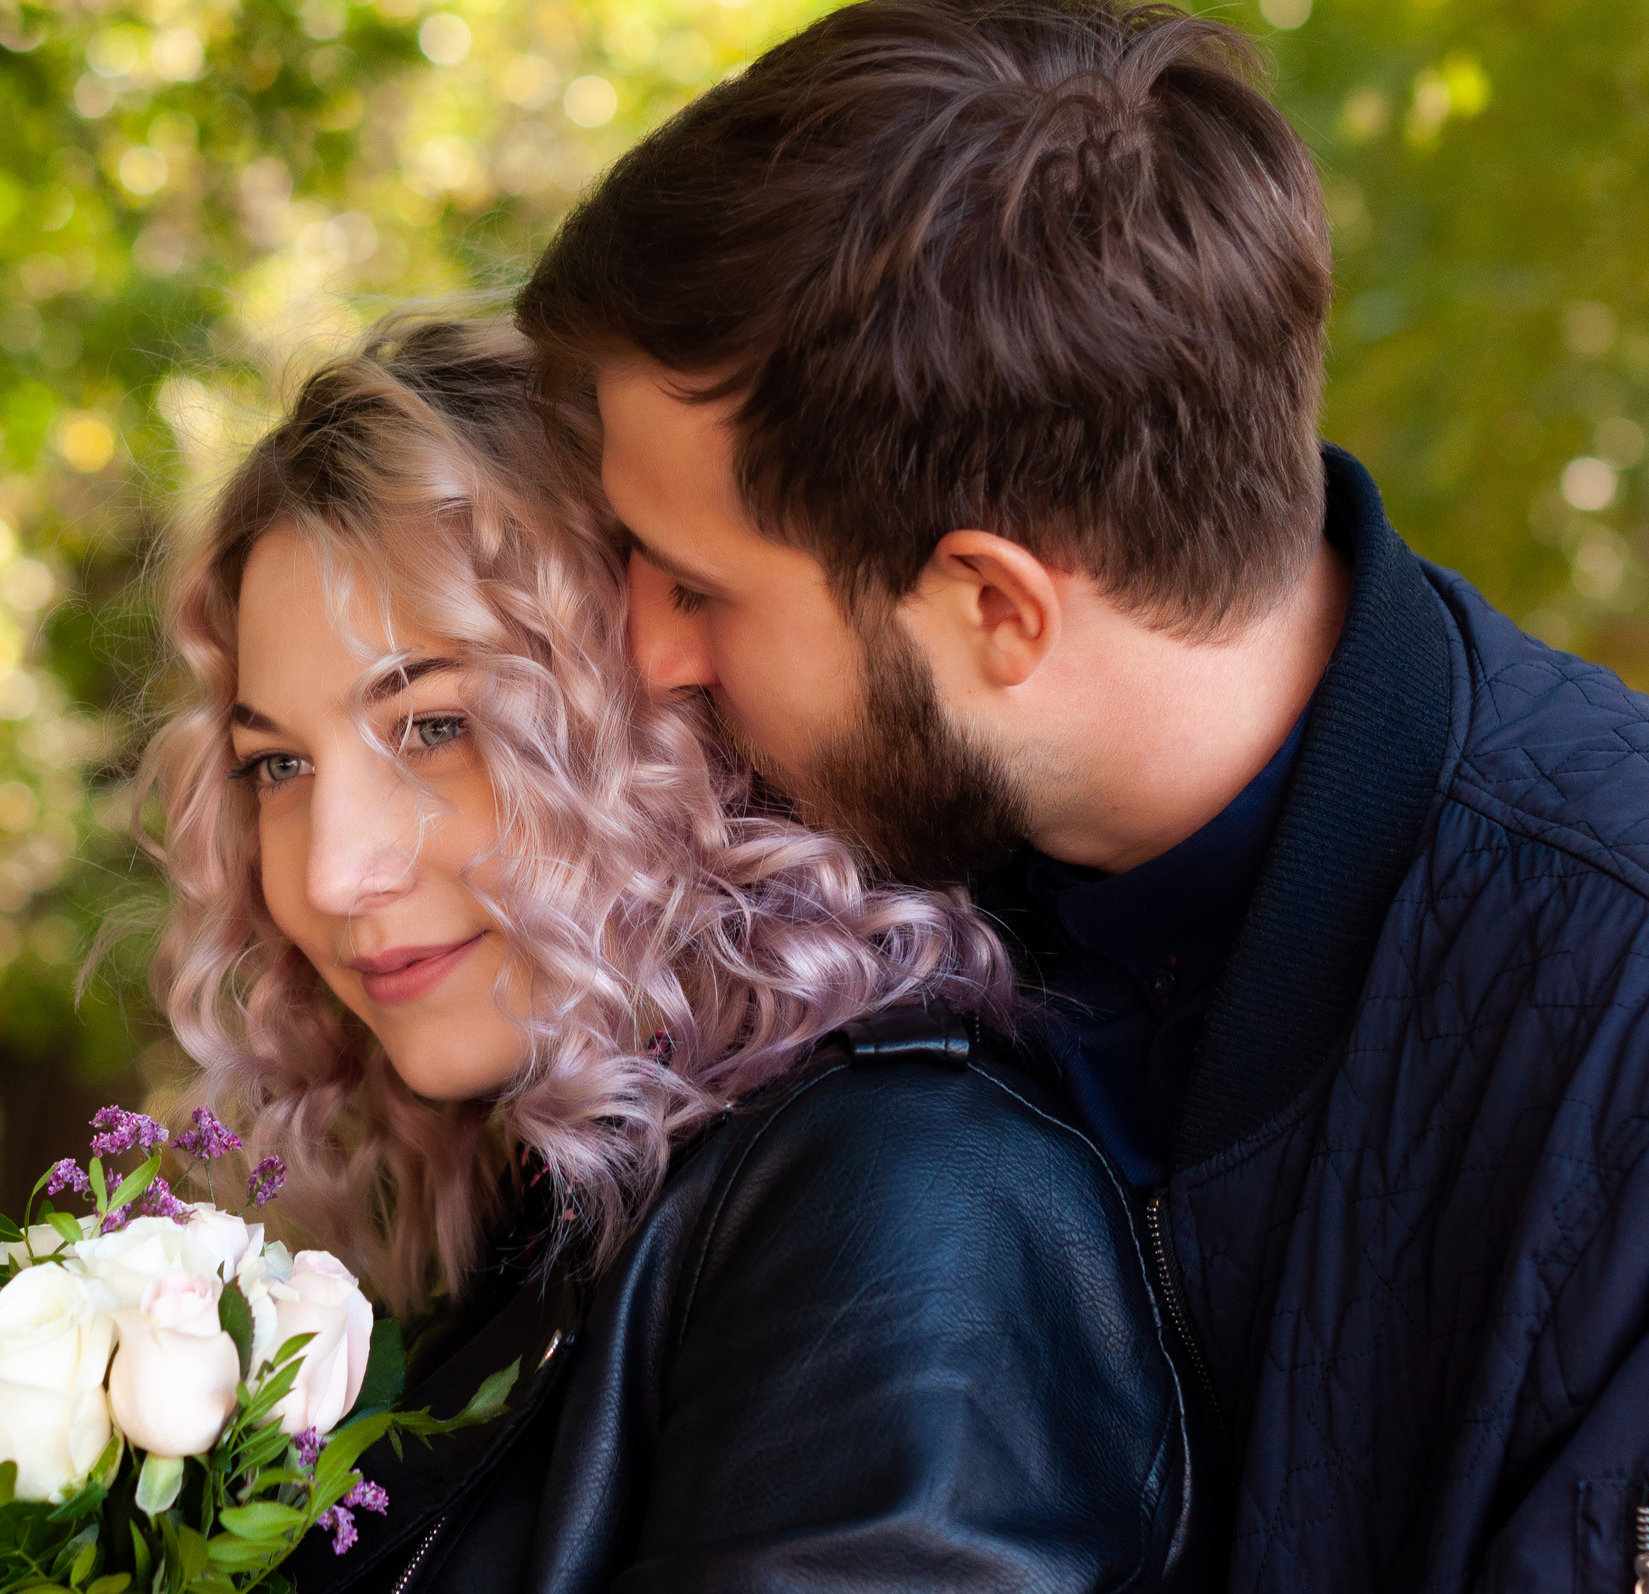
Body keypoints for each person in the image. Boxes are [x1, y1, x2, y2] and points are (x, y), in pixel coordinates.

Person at [514, 0, 1649, 1589]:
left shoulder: (1613, 1033)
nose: (644, 649)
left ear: (996, 605)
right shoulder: (786, 877)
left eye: (698, 583)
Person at [136, 320, 1192, 1591]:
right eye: (280, 765)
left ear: (672, 702)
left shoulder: (900, 1202)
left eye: (433, 726)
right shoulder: (545, 1215)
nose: (327, 872)